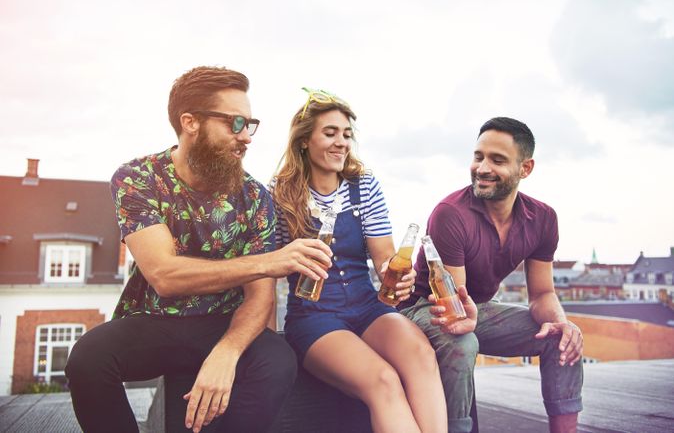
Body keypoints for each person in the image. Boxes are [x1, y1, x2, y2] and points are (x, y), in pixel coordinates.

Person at [65, 67, 334, 433]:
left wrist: (227, 352)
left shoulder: (256, 197)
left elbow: (260, 300)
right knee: (88, 359)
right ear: (190, 122)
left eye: (250, 124)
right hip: (155, 320)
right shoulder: (139, 177)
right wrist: (269, 261)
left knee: (277, 361)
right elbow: (164, 275)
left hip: (223, 321)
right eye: (235, 123)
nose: (246, 137)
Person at [270, 88, 448, 433]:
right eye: (330, 133)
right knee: (384, 381)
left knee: (423, 357)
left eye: (347, 135)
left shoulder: (363, 185)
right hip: (314, 317)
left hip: (368, 307)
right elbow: (266, 272)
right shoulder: (279, 193)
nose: (342, 142)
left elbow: (384, 260)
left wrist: (396, 277)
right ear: (305, 140)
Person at [399, 117, 584, 433]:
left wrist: (561, 322)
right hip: (425, 310)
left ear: (525, 169)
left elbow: (541, 295)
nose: (482, 168)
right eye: (478, 156)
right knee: (461, 342)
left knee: (562, 338)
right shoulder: (450, 214)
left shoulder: (543, 218)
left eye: (497, 160)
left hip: (477, 310)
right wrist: (466, 319)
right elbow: (452, 305)